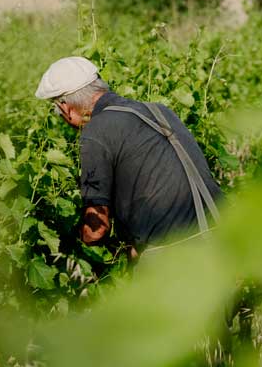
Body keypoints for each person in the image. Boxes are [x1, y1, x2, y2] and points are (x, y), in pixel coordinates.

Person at [35, 56, 222, 255]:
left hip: (177, 253)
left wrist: (73, 241)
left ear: (65, 107)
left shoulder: (95, 132)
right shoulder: (159, 110)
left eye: (56, 110)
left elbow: (97, 229)